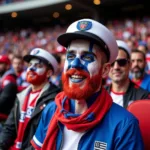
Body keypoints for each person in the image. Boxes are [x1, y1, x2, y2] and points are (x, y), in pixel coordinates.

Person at [31, 19, 144, 150]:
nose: (75, 64)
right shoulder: (51, 111)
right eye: (71, 56)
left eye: (88, 57)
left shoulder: (124, 125)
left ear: (105, 70)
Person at [0, 48, 60, 149]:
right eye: (30, 65)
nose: (31, 69)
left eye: (38, 66)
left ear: (49, 73)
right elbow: (9, 128)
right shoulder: (21, 95)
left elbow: (44, 139)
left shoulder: (54, 99)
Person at [106, 40, 150, 108]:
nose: (116, 67)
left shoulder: (143, 97)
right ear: (107, 67)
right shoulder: (99, 95)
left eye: (122, 62)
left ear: (129, 65)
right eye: (112, 63)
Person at [0, 55, 18, 121]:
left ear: (7, 66)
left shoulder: (9, 79)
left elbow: (4, 100)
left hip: (5, 117)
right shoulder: (3, 77)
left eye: (1, 64)